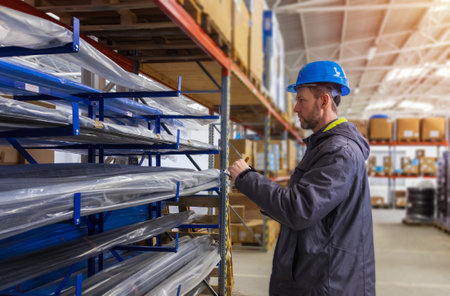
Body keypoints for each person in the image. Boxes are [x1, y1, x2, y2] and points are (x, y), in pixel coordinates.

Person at [228, 61, 376, 295]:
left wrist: (246, 178)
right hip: (319, 273)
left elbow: (299, 209)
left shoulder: (339, 152)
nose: (296, 108)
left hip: (327, 282)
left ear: (324, 100)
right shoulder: (325, 146)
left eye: (301, 100)